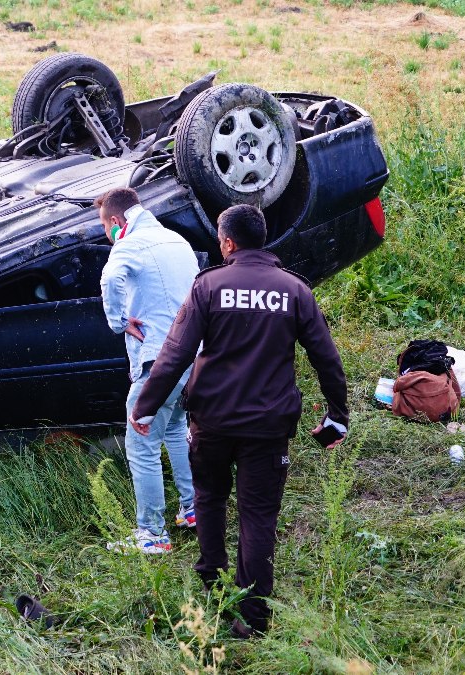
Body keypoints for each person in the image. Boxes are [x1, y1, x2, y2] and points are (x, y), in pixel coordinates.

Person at [129, 204, 349, 635]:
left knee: (209, 498)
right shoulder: (295, 291)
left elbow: (175, 354)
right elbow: (326, 358)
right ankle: (253, 617)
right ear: (261, 238)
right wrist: (337, 415)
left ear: (227, 241)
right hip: (268, 427)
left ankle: (214, 589)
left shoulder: (208, 287)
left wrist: (146, 406)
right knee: (258, 515)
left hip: (211, 421)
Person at [96, 187, 200, 554]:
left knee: (141, 443)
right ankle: (193, 510)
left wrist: (118, 321)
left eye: (104, 227)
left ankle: (152, 534)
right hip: (191, 357)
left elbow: (109, 281)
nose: (107, 234)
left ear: (115, 221)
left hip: (157, 359)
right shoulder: (177, 241)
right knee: (173, 428)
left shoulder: (130, 244)